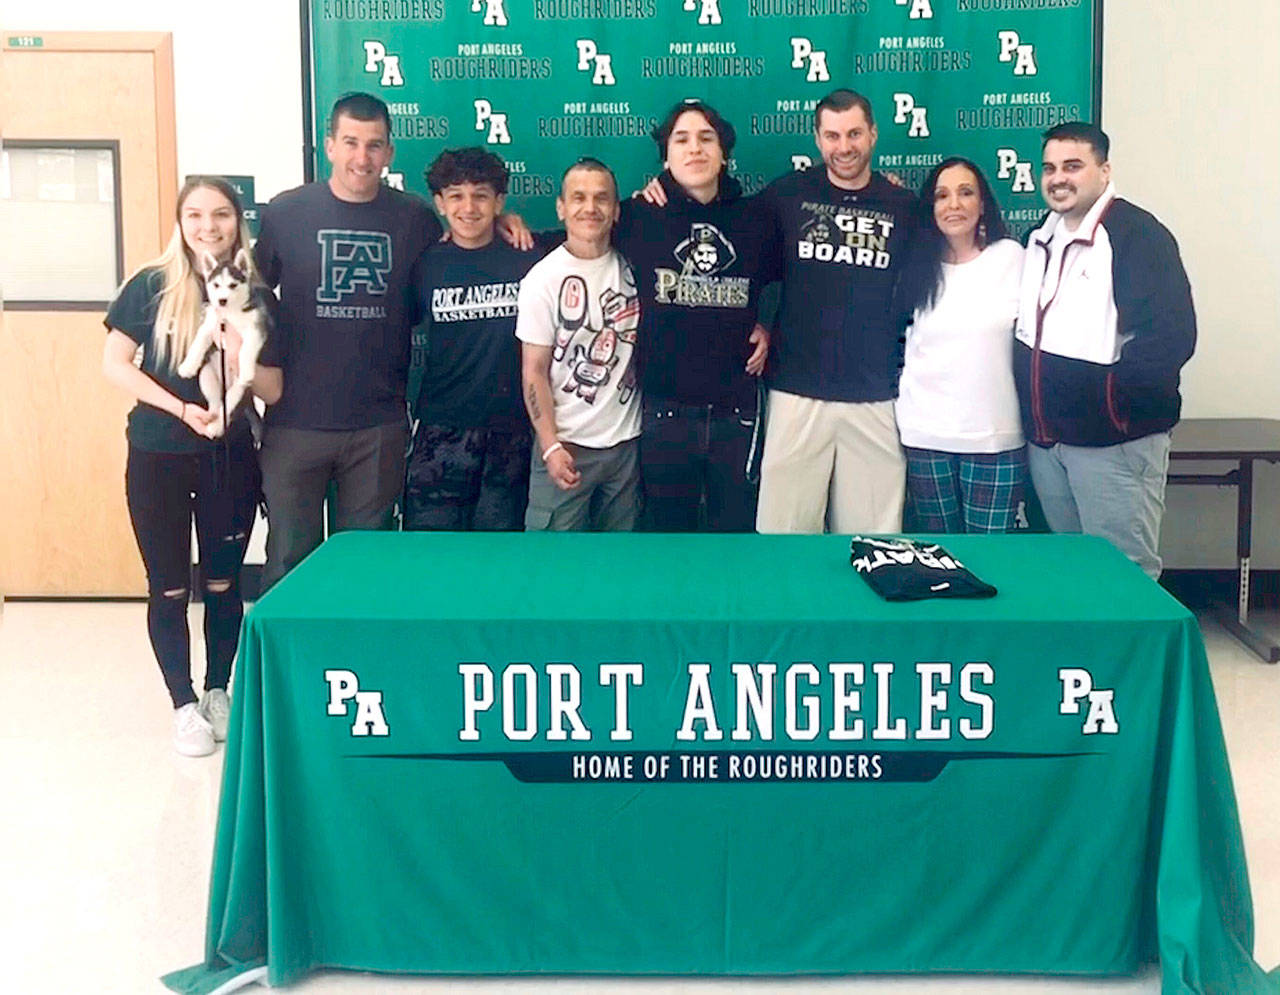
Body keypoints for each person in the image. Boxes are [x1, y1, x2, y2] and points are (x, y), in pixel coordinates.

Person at [253, 92, 443, 590]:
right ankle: (291, 667)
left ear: (390, 153)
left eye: (375, 145)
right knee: (289, 562)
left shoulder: (418, 219)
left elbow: (458, 264)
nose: (363, 158)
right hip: (294, 421)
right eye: (352, 143)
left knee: (367, 566)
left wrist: (509, 224)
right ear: (330, 145)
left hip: (377, 425)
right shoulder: (284, 212)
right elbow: (245, 297)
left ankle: (359, 666)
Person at [102, 176, 265, 756]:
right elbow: (115, 364)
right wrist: (181, 408)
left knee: (223, 582)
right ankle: (182, 703)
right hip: (158, 456)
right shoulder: (148, 285)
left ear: (237, 220)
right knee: (169, 588)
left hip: (229, 455)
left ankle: (218, 687)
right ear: (179, 220)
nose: (207, 227)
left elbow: (265, 375)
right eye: (194, 215)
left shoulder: (253, 287)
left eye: (220, 214)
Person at [1014, 122, 1196, 578]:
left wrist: (1113, 409)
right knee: (1073, 573)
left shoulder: (1137, 235)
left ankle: (1130, 655)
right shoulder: (1039, 238)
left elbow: (1171, 339)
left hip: (1112, 443)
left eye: (1073, 166)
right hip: (1048, 443)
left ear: (1104, 169)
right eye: (1050, 168)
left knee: (1124, 575)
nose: (1059, 178)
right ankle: (1083, 654)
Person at [753, 88, 917, 535]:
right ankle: (789, 608)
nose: (843, 147)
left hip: (875, 394)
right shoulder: (786, 195)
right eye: (832, 135)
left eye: (854, 134)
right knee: (783, 535)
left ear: (874, 134)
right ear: (817, 139)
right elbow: (733, 242)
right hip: (796, 390)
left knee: (876, 539)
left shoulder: (904, 207)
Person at [621, 99, 778, 532]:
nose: (695, 149)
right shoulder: (637, 216)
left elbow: (815, 281)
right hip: (664, 413)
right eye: (682, 139)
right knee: (668, 545)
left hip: (737, 413)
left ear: (724, 153)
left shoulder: (756, 220)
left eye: (706, 138)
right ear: (666, 156)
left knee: (736, 541)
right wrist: (509, 226)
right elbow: (574, 237)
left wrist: (768, 324)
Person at [405, 148, 547, 531]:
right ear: (439, 203)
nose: (469, 207)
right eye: (456, 196)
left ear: (499, 202)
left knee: (497, 558)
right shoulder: (424, 264)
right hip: (441, 429)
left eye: (481, 195)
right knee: (433, 554)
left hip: (511, 433)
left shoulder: (530, 257)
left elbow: (591, 235)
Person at [893, 157, 1026, 533]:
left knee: (992, 563)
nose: (953, 205)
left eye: (965, 193)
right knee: (942, 559)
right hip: (925, 436)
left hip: (994, 437)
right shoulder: (913, 265)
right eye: (942, 195)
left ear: (982, 203)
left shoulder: (1012, 258)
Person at [516, 158, 642, 531]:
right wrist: (551, 445)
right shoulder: (542, 280)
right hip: (564, 447)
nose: (590, 208)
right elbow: (533, 371)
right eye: (578, 198)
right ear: (561, 207)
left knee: (618, 567)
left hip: (626, 449)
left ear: (616, 210)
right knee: (554, 569)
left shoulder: (636, 267)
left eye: (602, 198)